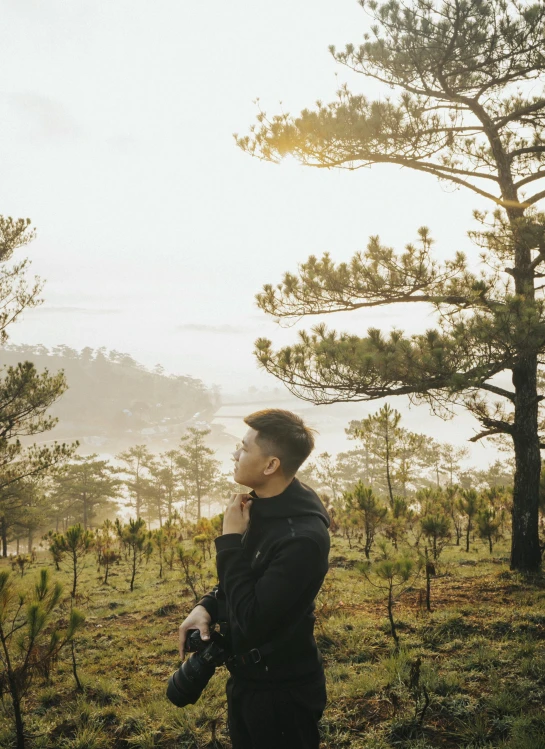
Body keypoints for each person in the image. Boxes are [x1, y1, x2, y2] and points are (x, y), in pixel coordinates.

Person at [178, 408, 330, 749]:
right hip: (248, 680)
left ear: (271, 465)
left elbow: (252, 619)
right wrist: (207, 606)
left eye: (244, 448)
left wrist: (229, 541)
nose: (235, 453)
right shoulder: (258, 505)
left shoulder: (302, 539)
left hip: (283, 694)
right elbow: (247, 580)